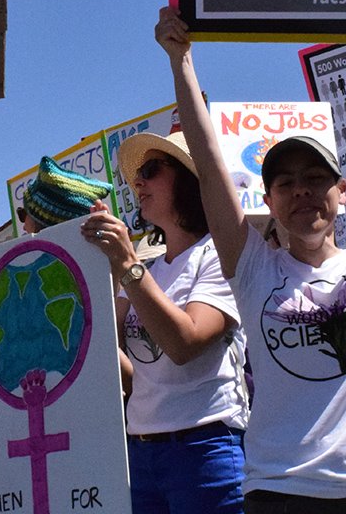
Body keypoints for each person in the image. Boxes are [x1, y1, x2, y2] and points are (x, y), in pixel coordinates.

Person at [155, 0, 346, 512]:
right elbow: (208, 167)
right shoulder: (252, 269)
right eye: (286, 183)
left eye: (316, 180)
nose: (302, 192)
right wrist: (180, 60)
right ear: (267, 201)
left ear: (343, 192)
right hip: (284, 490)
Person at [80, 130, 247, 513]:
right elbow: (112, 354)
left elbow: (184, 344)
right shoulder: (149, 270)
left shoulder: (220, 258)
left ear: (190, 180)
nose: (138, 181)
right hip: (141, 451)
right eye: (139, 173)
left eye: (152, 169)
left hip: (205, 449)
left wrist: (125, 264)